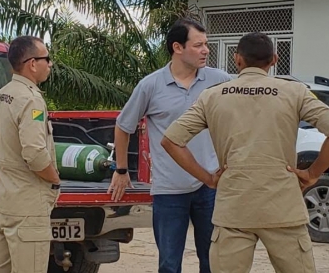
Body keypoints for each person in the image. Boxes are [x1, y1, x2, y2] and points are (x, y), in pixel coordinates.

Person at [160, 32, 329, 273]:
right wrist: (313, 172)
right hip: (283, 208)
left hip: (233, 209)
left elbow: (170, 141)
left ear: (237, 59)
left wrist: (208, 178)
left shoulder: (213, 96)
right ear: (274, 59)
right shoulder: (295, 92)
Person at [108, 18, 232, 273]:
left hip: (210, 186)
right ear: (177, 47)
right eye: (198, 45)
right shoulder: (151, 85)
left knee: (214, 261)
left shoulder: (220, 81)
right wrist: (121, 170)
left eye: (206, 44)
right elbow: (123, 126)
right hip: (169, 191)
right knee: (169, 264)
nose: (206, 50)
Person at [0, 35, 61, 273]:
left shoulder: (0, 96)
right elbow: (35, 154)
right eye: (47, 58)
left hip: (5, 203)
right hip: (28, 206)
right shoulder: (31, 100)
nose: (50, 64)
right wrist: (54, 179)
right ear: (32, 63)